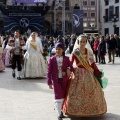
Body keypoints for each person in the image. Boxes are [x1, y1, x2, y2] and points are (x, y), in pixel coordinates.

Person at [62, 35, 107, 117]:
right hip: (77, 73)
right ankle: (75, 110)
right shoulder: (75, 51)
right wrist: (67, 69)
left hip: (87, 73)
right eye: (81, 42)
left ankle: (91, 109)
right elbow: (71, 63)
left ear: (86, 42)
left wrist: (96, 71)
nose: (82, 43)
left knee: (91, 90)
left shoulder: (88, 51)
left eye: (84, 41)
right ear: (78, 42)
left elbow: (92, 62)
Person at [47, 42, 74, 120]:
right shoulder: (52, 59)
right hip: (55, 80)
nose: (58, 51)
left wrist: (67, 71)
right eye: (57, 49)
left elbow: (71, 67)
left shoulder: (66, 59)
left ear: (63, 50)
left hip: (64, 80)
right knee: (58, 95)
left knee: (64, 95)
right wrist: (49, 82)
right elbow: (49, 71)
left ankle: (61, 110)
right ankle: (59, 114)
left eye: (59, 49)